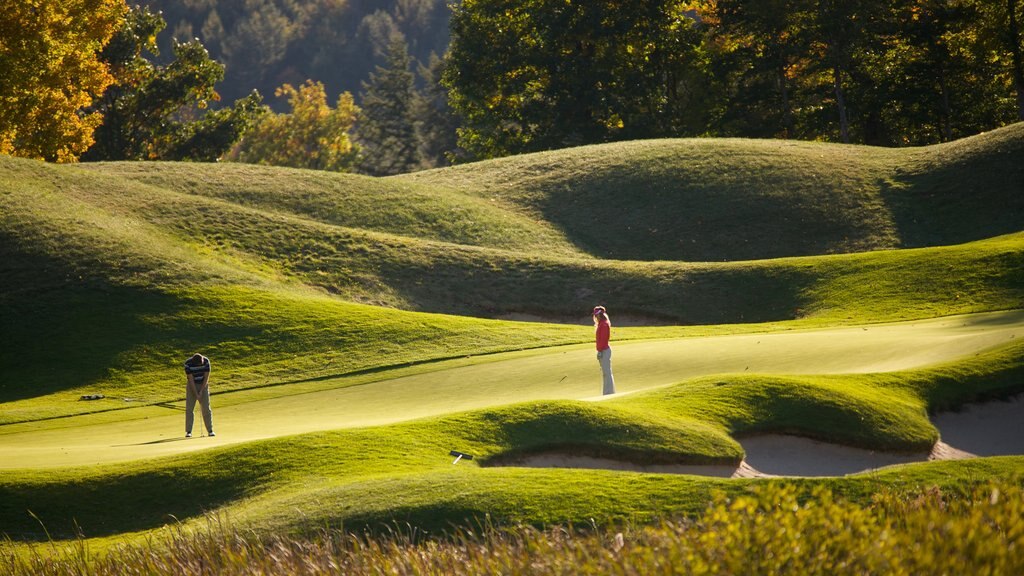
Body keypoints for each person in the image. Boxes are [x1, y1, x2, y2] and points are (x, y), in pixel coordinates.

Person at [184, 353, 214, 438]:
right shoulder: (188, 364)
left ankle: (210, 430)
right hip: (191, 386)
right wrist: (196, 393)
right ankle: (188, 431)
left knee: (206, 408)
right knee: (189, 408)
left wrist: (201, 391)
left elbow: (206, 377)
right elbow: (191, 380)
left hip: (203, 384)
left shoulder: (206, 361)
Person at [593, 306, 615, 395]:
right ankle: (607, 392)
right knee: (605, 373)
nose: (596, 317)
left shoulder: (604, 324)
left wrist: (600, 351)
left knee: (607, 373)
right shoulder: (601, 324)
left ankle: (609, 393)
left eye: (597, 315)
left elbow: (603, 339)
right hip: (603, 351)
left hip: (604, 351)